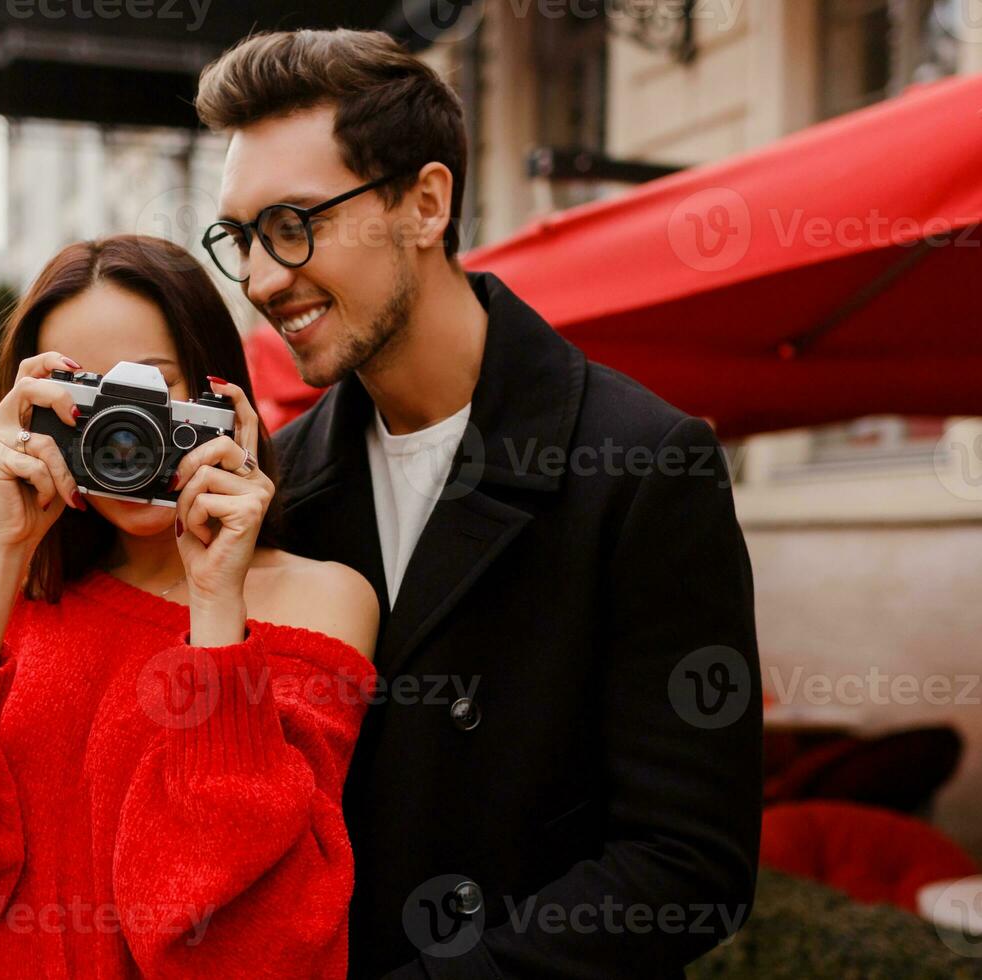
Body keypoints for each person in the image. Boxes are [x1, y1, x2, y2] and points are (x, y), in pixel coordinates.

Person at [196, 29, 763, 979]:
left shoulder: (644, 464)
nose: (259, 277)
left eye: (294, 223)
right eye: (242, 237)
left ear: (425, 203)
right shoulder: (277, 483)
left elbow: (689, 866)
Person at [0, 235, 380, 978]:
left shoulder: (321, 601)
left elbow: (250, 949)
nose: (125, 433)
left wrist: (217, 605)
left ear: (223, 400)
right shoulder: (25, 596)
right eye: (88, 400)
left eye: (153, 391)